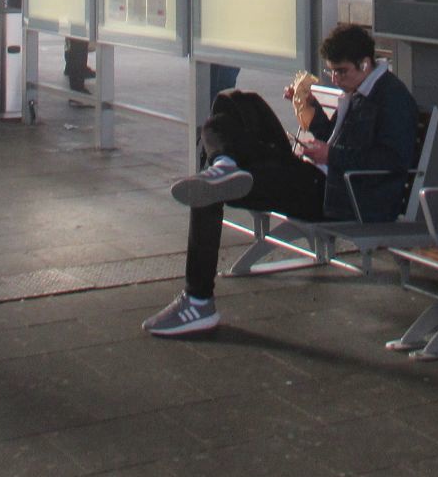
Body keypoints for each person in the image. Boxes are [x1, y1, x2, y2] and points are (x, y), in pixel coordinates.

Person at [144, 23, 418, 338]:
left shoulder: (392, 99)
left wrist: (332, 156)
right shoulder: (360, 89)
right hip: (317, 178)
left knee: (206, 190)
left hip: (336, 195)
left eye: (341, 72)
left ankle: (198, 300)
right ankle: (223, 164)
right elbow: (337, 137)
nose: (335, 79)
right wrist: (311, 113)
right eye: (331, 72)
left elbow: (392, 161)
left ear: (365, 64)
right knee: (235, 102)